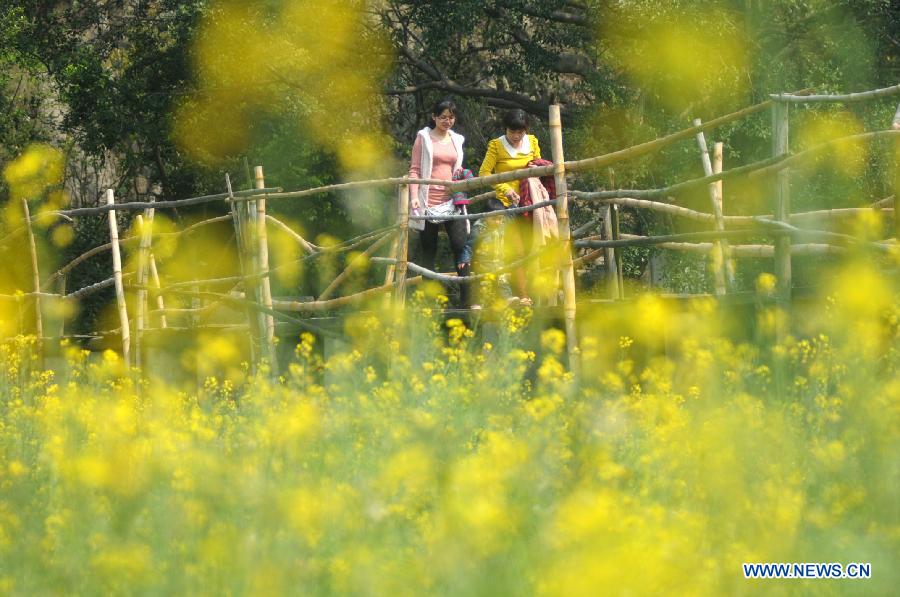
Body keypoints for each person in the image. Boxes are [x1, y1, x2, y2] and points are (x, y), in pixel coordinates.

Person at [408, 99, 471, 307]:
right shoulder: (423, 138)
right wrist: (414, 196)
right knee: (429, 251)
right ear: (434, 117)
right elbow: (415, 169)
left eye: (451, 117)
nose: (447, 121)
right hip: (428, 201)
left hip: (452, 201)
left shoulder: (457, 139)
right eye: (443, 116)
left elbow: (458, 168)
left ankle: (467, 300)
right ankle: (428, 301)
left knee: (461, 247)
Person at [478, 108, 542, 306]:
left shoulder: (532, 141)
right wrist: (505, 189)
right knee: (516, 250)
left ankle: (535, 292)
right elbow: (484, 173)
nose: (516, 136)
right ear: (505, 129)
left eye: (520, 132)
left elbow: (539, 163)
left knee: (534, 248)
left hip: (530, 203)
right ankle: (521, 294)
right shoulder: (496, 145)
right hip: (507, 205)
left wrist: (536, 167)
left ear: (526, 130)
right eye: (512, 131)